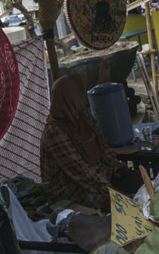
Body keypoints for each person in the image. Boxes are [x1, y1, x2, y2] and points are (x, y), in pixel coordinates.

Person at [39, 74, 141, 211]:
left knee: (139, 182)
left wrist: (117, 167)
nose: (84, 97)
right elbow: (81, 172)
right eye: (79, 93)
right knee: (113, 203)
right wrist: (112, 191)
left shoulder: (82, 115)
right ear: (69, 98)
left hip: (97, 176)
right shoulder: (54, 132)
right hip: (69, 188)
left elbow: (103, 145)